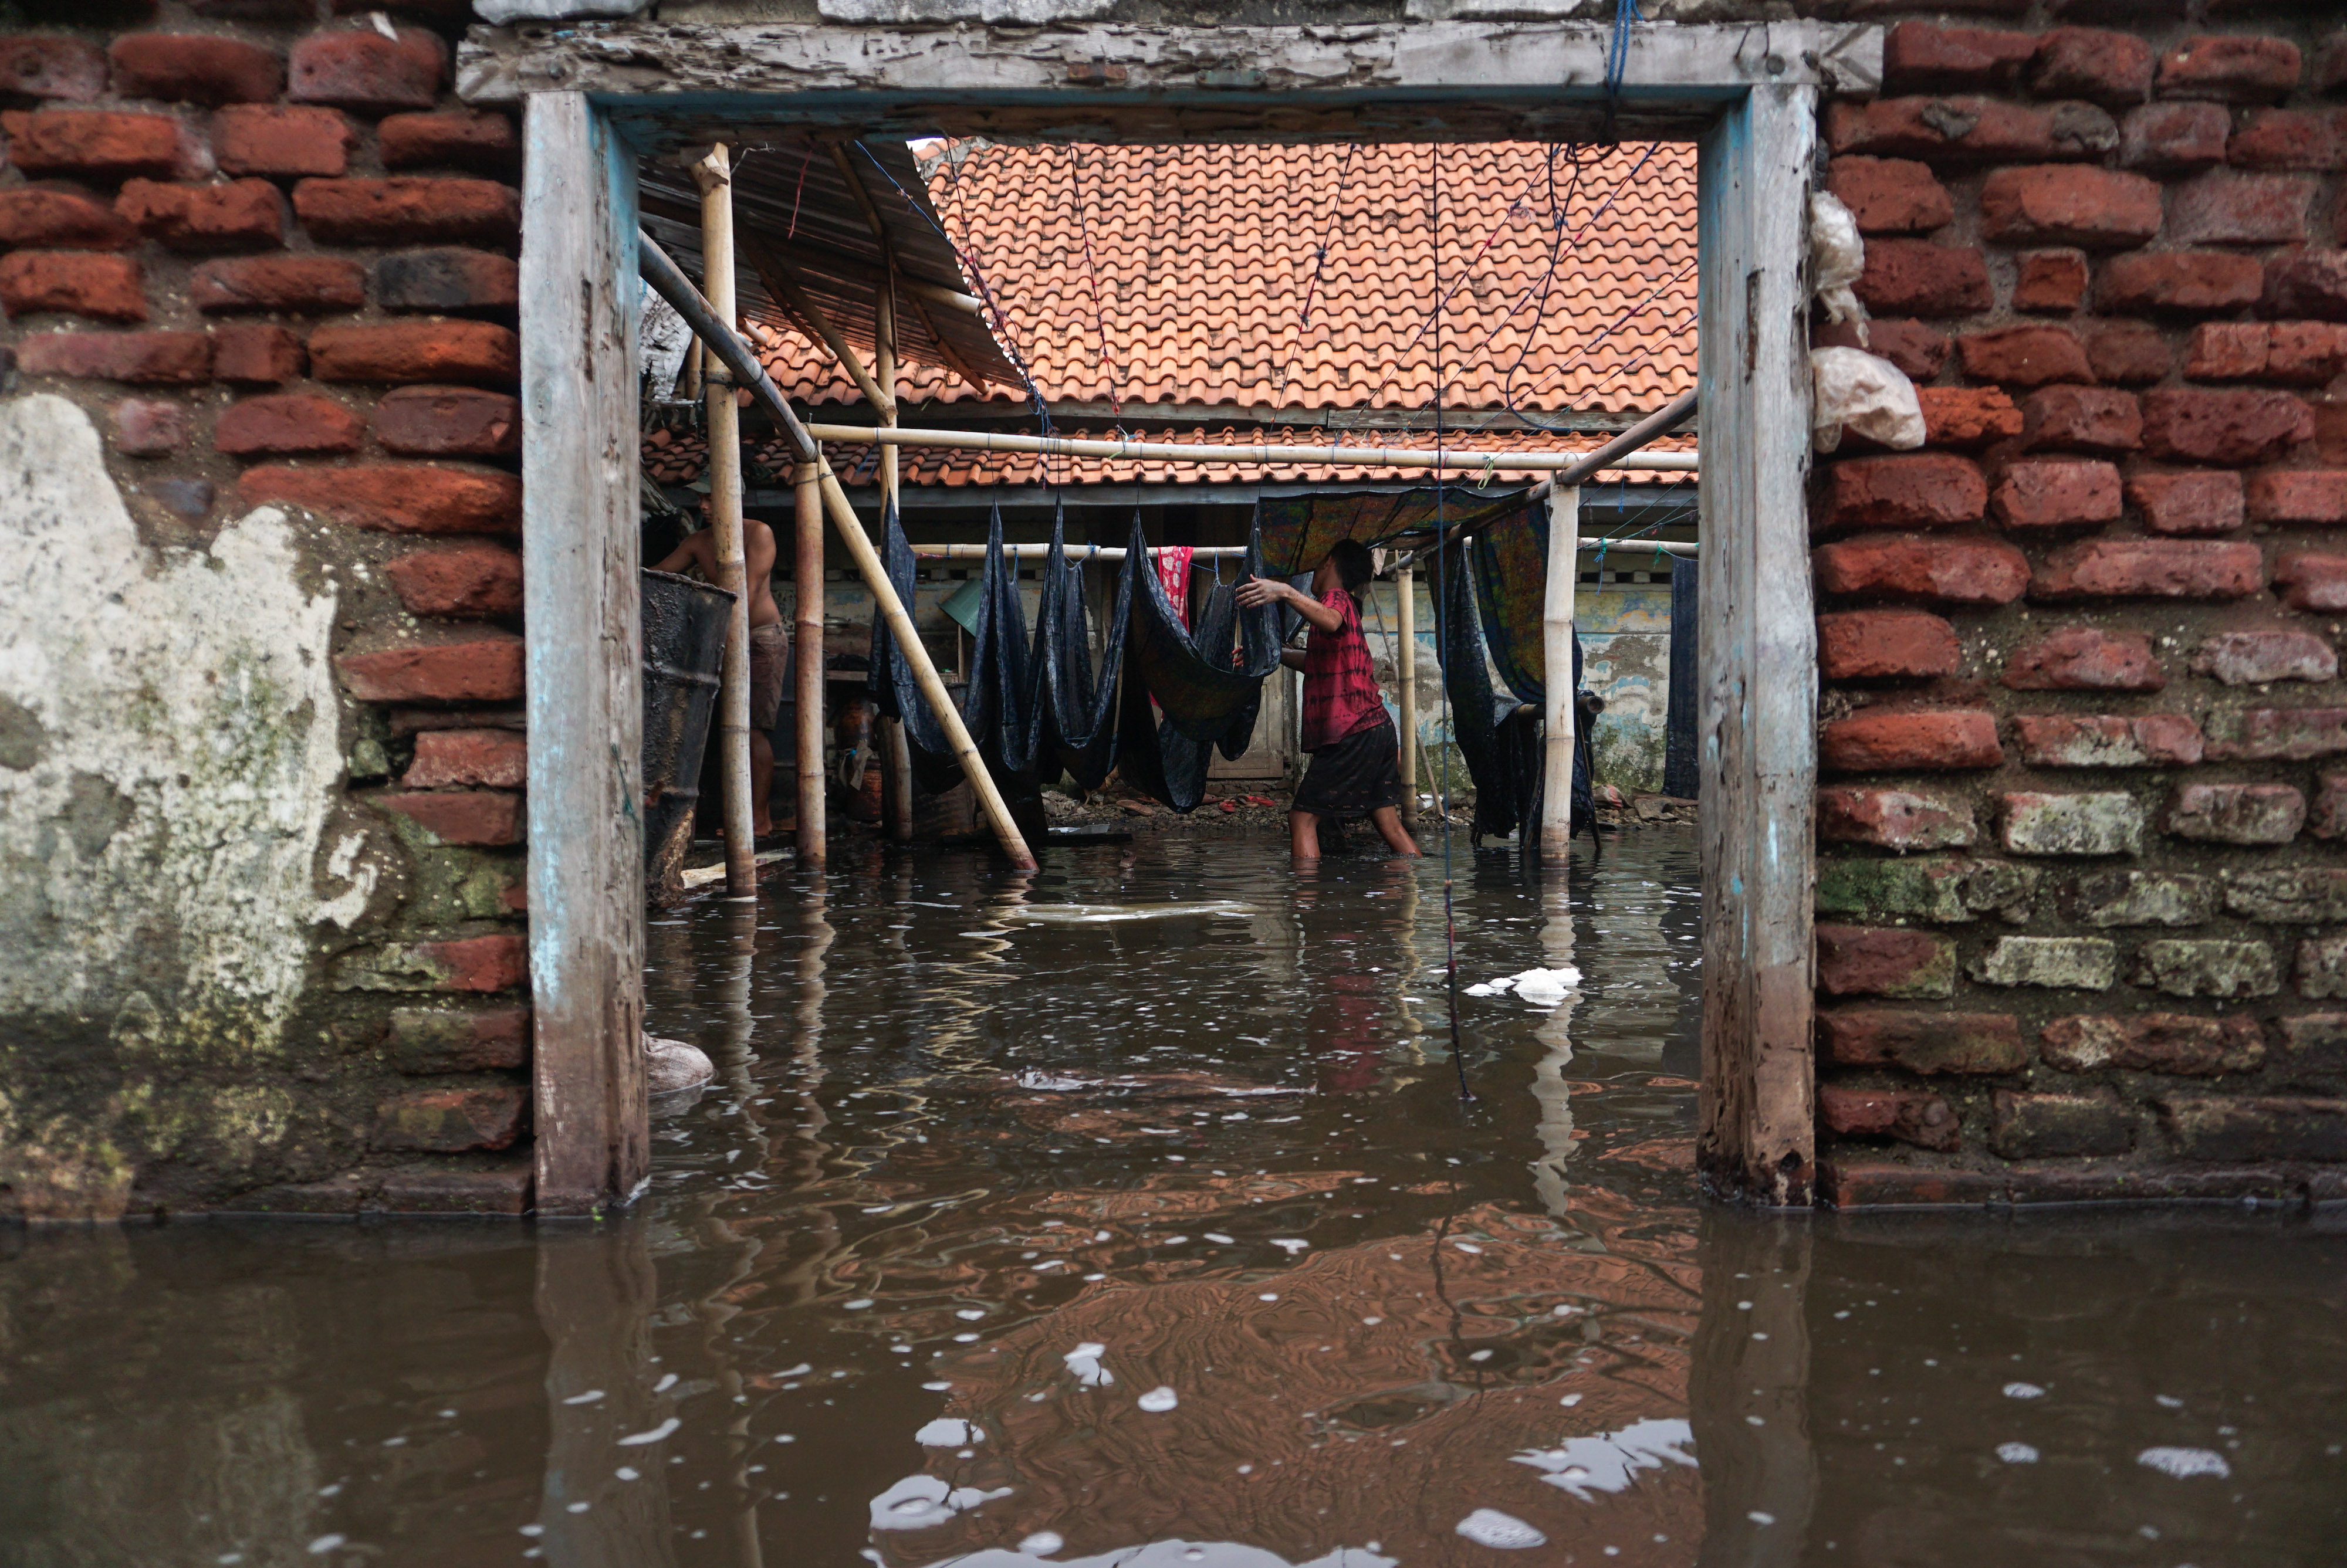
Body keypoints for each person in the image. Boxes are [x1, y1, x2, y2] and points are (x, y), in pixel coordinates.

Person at [1235, 540, 1422, 862]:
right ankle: (1412, 887)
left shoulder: (1336, 599)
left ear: (1329, 562)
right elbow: (1315, 662)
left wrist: (1285, 591)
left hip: (1354, 730)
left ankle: (1308, 905)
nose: (1311, 576)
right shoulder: (1342, 608)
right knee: (1388, 822)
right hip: (1376, 728)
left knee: (1302, 818)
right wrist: (1272, 654)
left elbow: (1331, 620)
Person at [653, 516, 788, 838]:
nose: (702, 506)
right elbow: (658, 575)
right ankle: (752, 816)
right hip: (724, 640)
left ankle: (758, 820)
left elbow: (748, 593)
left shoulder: (759, 532)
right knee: (726, 731)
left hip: (759, 639)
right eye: (699, 500)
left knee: (753, 729)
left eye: (709, 498)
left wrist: (720, 641)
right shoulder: (699, 541)